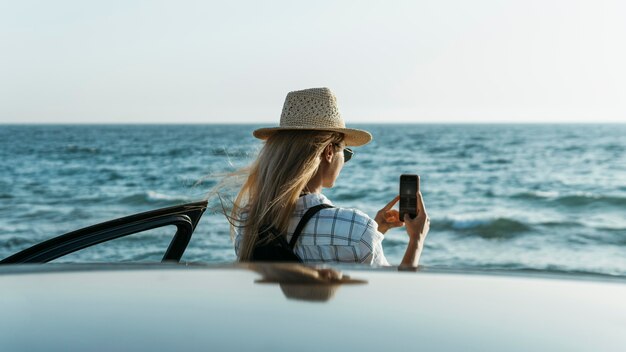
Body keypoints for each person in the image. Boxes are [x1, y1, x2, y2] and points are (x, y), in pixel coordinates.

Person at [231, 87, 429, 267]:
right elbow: (392, 294)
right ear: (328, 152)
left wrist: (378, 230)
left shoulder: (249, 222)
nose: (344, 161)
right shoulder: (357, 229)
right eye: (345, 152)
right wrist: (416, 240)